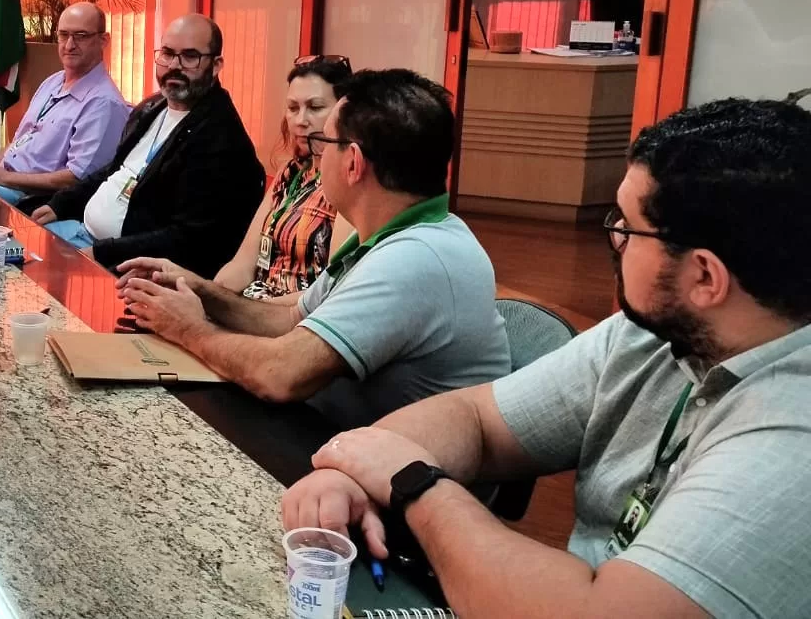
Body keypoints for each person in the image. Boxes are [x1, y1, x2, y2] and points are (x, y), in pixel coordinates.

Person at [284, 99, 811, 619]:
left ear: (704, 277)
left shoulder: (789, 441)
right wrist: (355, 474)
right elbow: (478, 418)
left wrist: (413, 485)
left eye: (627, 228)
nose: (614, 239)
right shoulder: (654, 336)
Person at [120, 69, 510, 428]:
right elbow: (291, 318)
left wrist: (189, 329)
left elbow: (280, 375)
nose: (315, 155)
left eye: (324, 143)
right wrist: (200, 290)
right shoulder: (394, 234)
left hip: (387, 465)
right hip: (341, 435)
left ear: (353, 163)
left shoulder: (414, 259)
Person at [31, 14, 265, 276]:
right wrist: (60, 204)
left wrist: (101, 253)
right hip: (82, 233)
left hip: (128, 267)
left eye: (190, 57)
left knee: (30, 277)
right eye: (168, 54)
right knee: (12, 248)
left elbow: (189, 238)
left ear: (216, 64)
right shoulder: (152, 107)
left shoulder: (221, 140)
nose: (174, 66)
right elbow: (114, 170)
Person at [116, 55, 355, 303]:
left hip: (286, 316)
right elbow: (241, 266)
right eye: (293, 108)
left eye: (315, 107)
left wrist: (233, 311)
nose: (300, 120)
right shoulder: (290, 173)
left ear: (342, 113)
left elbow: (329, 294)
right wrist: (200, 297)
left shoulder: (348, 183)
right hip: (246, 307)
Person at [0, 2, 130, 206]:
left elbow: (76, 179)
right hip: (4, 181)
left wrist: (2, 178)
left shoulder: (104, 104)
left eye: (81, 36)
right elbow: (20, 141)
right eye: (64, 35)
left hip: (28, 198)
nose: (69, 45)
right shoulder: (53, 81)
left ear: (103, 40)